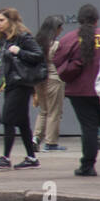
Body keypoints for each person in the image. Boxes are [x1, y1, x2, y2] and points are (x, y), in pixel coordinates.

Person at [0, 7, 44, 170]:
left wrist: (19, 51)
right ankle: (31, 158)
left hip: (21, 84)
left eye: (2, 20)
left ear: (11, 21)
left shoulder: (23, 37)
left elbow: (38, 55)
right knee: (22, 122)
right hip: (11, 84)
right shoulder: (3, 39)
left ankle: (6, 157)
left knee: (7, 119)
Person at [53, 4, 100, 176]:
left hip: (80, 92)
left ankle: (88, 166)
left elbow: (57, 60)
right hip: (99, 91)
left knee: (89, 129)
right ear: (96, 20)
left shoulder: (70, 38)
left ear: (79, 20)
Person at [33, 15, 66, 151]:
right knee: (54, 111)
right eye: (60, 27)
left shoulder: (37, 43)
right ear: (55, 29)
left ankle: (35, 138)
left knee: (43, 110)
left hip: (39, 79)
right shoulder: (56, 45)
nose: (62, 30)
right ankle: (51, 143)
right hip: (54, 79)